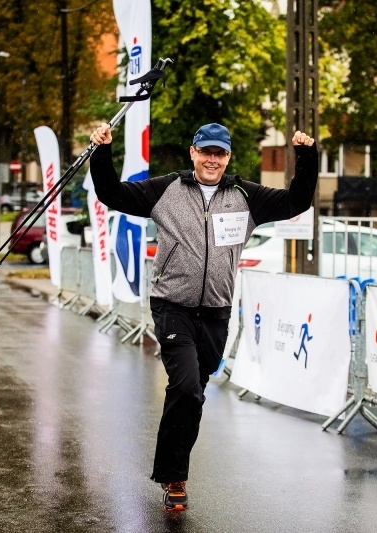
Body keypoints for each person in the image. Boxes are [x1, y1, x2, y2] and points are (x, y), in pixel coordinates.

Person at [88, 121, 318, 512]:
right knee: (188, 386)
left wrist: (307, 157)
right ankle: (174, 476)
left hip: (216, 311)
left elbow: (297, 202)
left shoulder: (247, 196)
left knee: (194, 394)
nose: (212, 159)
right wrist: (103, 151)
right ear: (193, 153)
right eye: (206, 151)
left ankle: (173, 465)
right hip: (172, 306)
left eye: (220, 153)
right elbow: (111, 193)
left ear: (228, 158)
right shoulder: (166, 189)